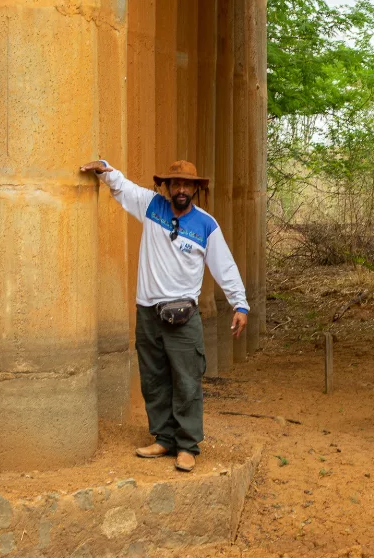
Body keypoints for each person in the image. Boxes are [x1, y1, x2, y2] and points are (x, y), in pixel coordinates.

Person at [80, 158, 249, 473]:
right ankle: (164, 437)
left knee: (186, 380)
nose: (181, 189)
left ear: (195, 188)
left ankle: (187, 446)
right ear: (167, 186)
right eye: (176, 184)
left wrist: (240, 304)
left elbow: (224, 266)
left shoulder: (206, 225)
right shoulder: (151, 206)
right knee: (154, 378)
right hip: (148, 311)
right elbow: (123, 188)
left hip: (183, 316)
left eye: (187, 184)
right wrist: (104, 168)